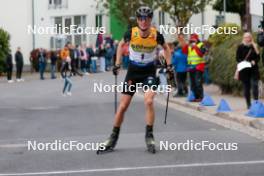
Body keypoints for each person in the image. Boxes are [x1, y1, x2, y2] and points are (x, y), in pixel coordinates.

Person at [97, 6, 172, 154]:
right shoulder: (131, 33)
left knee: (149, 101)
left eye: (147, 18)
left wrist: (169, 67)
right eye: (141, 19)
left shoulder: (156, 35)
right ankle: (113, 137)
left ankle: (149, 135)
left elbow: (166, 48)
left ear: (150, 20)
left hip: (149, 71)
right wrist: (117, 64)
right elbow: (120, 45)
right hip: (133, 72)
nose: (144, 21)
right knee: (123, 106)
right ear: (137, 20)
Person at [236, 32, 260, 109]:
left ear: (251, 38)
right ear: (243, 38)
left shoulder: (254, 46)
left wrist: (254, 61)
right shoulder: (240, 46)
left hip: (253, 69)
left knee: (255, 85)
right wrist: (243, 62)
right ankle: (248, 104)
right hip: (244, 70)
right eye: (245, 37)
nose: (247, 38)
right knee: (246, 87)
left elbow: (258, 56)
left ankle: (256, 102)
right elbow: (237, 58)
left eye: (248, 37)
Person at [182, 34, 206, 102]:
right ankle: (194, 97)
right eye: (191, 40)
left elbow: (201, 54)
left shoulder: (201, 45)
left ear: (197, 39)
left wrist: (195, 47)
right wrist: (187, 44)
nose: (192, 41)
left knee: (198, 82)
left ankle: (200, 97)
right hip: (191, 67)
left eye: (193, 40)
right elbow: (184, 51)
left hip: (199, 67)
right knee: (192, 83)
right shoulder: (189, 46)